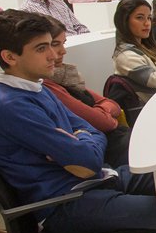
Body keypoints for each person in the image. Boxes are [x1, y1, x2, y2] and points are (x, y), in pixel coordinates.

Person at [0, 10, 156, 233]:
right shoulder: (9, 106)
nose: (54, 55)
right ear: (10, 57)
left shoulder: (38, 87)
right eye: (41, 48)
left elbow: (93, 132)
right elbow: (88, 162)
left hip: (93, 182)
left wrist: (79, 137)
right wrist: (81, 141)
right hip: (64, 204)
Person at [42, 17, 130, 167]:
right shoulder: (49, 86)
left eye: (63, 44)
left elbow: (111, 104)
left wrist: (102, 112)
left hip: (112, 140)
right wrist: (105, 115)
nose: (62, 51)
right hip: (108, 149)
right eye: (55, 44)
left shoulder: (67, 77)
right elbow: (103, 122)